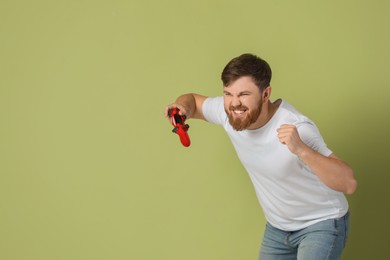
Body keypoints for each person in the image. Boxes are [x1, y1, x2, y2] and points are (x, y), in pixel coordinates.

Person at [164, 53, 357, 260]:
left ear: (266, 94)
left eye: (244, 94)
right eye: (228, 93)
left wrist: (302, 149)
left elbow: (348, 183)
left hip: (320, 223)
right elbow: (192, 100)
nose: (234, 103)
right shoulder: (228, 112)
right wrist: (182, 108)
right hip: (278, 228)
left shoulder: (297, 127)